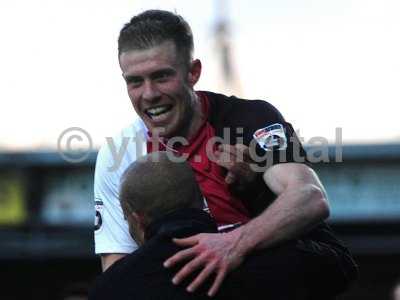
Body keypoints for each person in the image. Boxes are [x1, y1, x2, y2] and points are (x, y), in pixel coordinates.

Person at [94, 9, 357, 298]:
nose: (149, 94)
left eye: (161, 77)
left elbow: (310, 197)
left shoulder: (247, 120)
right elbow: (118, 269)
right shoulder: (119, 153)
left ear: (193, 72)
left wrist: (235, 240)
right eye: (135, 81)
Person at [89, 152, 308, 300]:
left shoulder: (111, 288)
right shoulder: (277, 262)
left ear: (138, 219)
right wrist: (261, 194)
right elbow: (336, 263)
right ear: (201, 200)